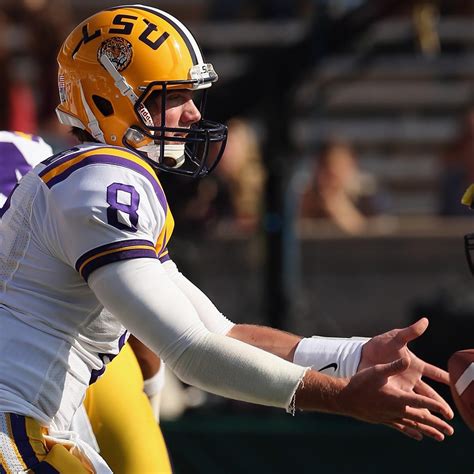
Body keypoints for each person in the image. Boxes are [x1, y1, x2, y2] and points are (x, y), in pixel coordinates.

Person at [0, 5, 454, 473]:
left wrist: (353, 355)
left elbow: (221, 333)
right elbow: (190, 350)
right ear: (106, 101)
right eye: (175, 95)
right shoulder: (100, 181)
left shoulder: (91, 180)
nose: (194, 112)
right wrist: (342, 398)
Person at [0, 130, 172, 472]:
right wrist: (150, 397)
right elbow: (141, 306)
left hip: (34, 374)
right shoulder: (33, 153)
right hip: (97, 360)